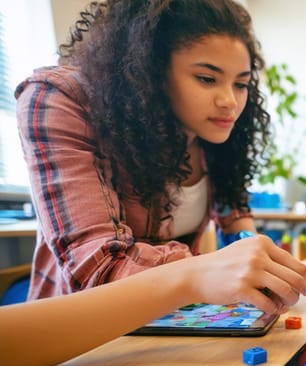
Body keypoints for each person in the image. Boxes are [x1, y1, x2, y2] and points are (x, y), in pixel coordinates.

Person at [15, 0, 271, 300]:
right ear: (151, 69)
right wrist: (209, 269)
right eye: (207, 78)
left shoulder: (210, 132)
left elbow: (235, 215)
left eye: (241, 84)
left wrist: (259, 256)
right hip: (80, 335)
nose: (230, 101)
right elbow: (100, 269)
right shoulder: (61, 99)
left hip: (175, 321)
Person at [0, 235, 306, 366]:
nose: (229, 103)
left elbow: (238, 221)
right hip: (78, 342)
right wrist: (193, 270)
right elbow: (100, 270)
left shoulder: (214, 144)